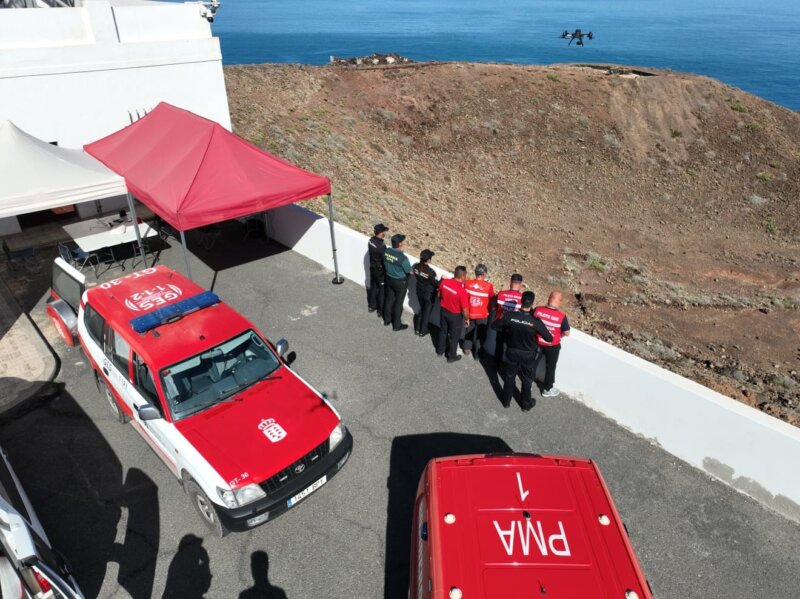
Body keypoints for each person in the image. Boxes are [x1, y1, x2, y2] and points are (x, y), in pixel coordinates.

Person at [491, 291, 552, 410]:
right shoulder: (536, 322)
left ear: (521, 301)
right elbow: (549, 338)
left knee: (509, 377)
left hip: (511, 351)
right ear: (532, 303)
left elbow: (494, 326)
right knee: (527, 380)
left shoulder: (510, 316)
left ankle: (506, 401)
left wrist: (508, 330)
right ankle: (525, 404)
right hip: (528, 355)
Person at [533, 291, 571, 397]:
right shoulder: (561, 316)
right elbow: (567, 333)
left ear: (549, 298)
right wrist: (558, 336)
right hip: (552, 346)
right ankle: (547, 389)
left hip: (537, 343)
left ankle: (529, 382)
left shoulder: (537, 310)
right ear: (559, 301)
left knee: (533, 363)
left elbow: (531, 323)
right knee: (550, 367)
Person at [437, 266, 469, 363]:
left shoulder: (445, 282)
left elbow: (439, 295)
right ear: (462, 276)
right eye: (465, 276)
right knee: (454, 337)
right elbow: (465, 310)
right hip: (455, 316)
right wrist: (467, 319)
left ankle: (440, 351)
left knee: (443, 331)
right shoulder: (462, 292)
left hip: (443, 310)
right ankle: (451, 356)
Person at [463, 264, 495, 359]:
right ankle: (477, 354)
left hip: (469, 313)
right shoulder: (488, 286)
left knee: (468, 330)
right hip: (482, 314)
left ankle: (466, 348)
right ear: (484, 274)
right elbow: (492, 298)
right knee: (480, 334)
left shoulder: (468, 283)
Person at [492, 273, 525, 365]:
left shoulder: (501, 294)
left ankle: (496, 363)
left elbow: (494, 307)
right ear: (521, 284)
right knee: (511, 347)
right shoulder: (523, 298)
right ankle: (507, 365)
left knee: (499, 345)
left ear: (510, 282)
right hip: (514, 326)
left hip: (500, 324)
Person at [383, 233, 412, 331]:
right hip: (400, 282)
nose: (404, 243)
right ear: (400, 244)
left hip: (388, 278)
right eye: (403, 241)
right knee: (398, 304)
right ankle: (396, 325)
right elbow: (409, 271)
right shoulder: (403, 258)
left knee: (389, 299)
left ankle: (387, 320)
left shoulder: (386, 251)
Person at [412, 249, 438, 337]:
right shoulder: (431, 272)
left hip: (419, 291)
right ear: (429, 260)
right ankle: (422, 331)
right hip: (428, 294)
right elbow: (436, 283)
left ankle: (417, 329)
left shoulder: (415, 267)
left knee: (422, 309)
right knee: (426, 313)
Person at [367, 223, 389, 316]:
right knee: (381, 290)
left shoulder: (371, 240)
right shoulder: (382, 246)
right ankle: (380, 310)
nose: (385, 232)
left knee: (373, 287)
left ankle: (372, 306)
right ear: (380, 233)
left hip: (372, 266)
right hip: (379, 270)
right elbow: (385, 259)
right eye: (384, 231)